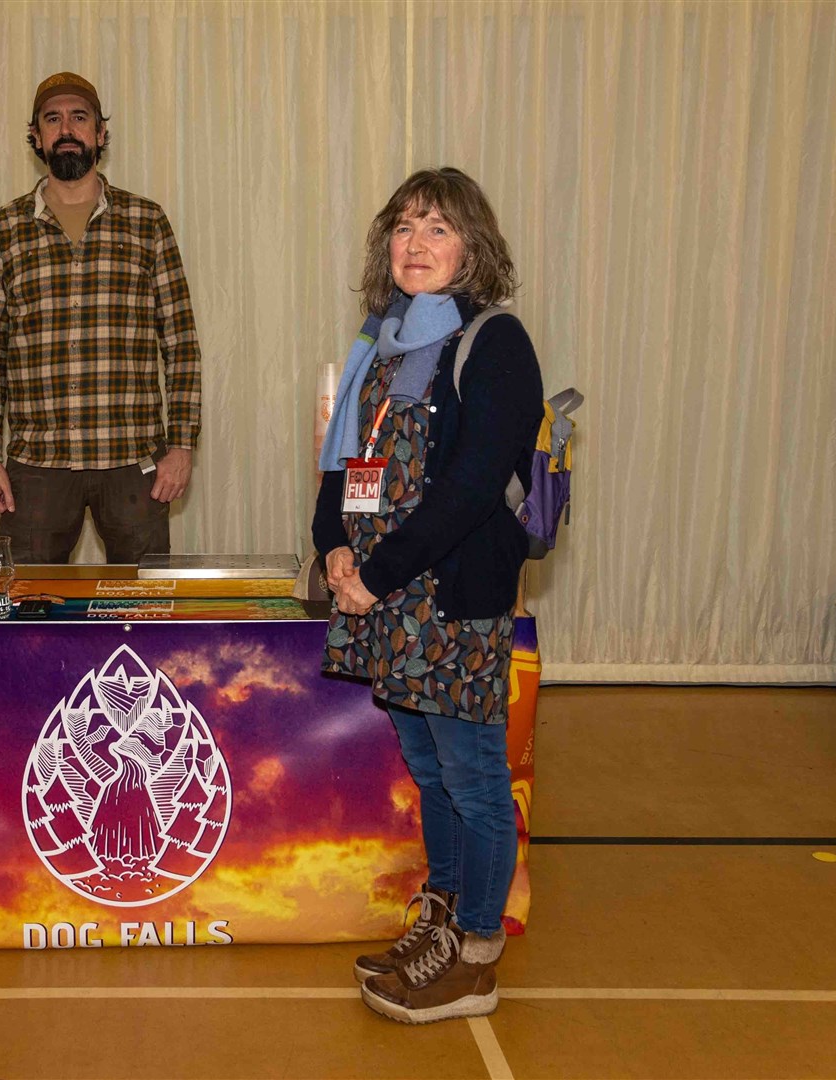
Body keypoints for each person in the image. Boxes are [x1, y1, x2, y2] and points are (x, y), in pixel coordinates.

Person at [312, 167, 543, 1024]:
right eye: (405, 227)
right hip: (385, 600)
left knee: (475, 779)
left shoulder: (496, 342)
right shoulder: (384, 338)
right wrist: (333, 545)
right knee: (432, 774)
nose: (417, 243)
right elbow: (342, 466)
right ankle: (441, 924)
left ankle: (476, 954)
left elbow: (475, 484)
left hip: (449, 599)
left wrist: (376, 572)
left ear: (472, 248)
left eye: (438, 228)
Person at [0, 71, 202, 564]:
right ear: (37, 135)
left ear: (99, 133)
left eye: (80, 117)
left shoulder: (147, 221)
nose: (67, 127)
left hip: (133, 461)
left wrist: (181, 445)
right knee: (26, 617)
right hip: (37, 465)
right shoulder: (5, 229)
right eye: (53, 118)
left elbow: (180, 341)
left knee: (142, 615)